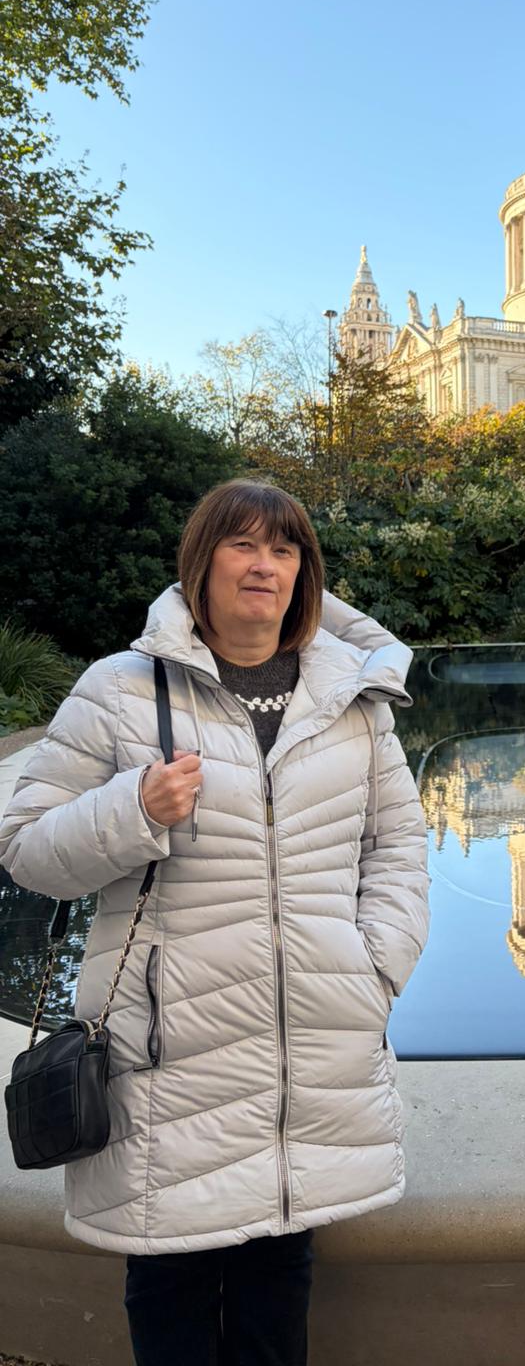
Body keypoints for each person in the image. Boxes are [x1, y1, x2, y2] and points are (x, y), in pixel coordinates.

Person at [0, 479, 430, 1366]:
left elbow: (397, 848)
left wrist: (375, 966)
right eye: (242, 545)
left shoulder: (353, 701)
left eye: (283, 549)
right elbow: (26, 850)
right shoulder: (119, 691)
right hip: (173, 1061)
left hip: (311, 1055)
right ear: (201, 563)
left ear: (304, 574)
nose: (264, 566)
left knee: (280, 1288)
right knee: (171, 1290)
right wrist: (135, 808)